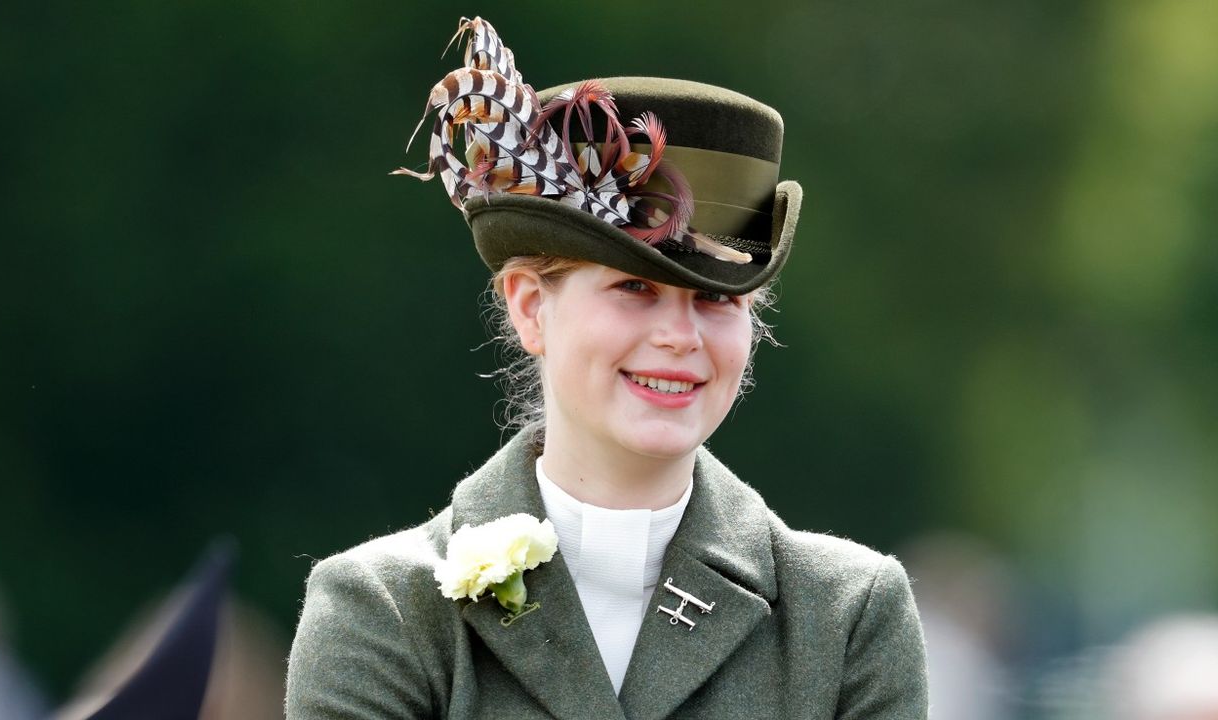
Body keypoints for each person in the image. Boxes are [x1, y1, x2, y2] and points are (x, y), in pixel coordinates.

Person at [285, 16, 928, 720]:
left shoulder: (845, 618)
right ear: (531, 308)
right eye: (634, 289)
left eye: (716, 299)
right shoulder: (382, 611)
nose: (680, 336)